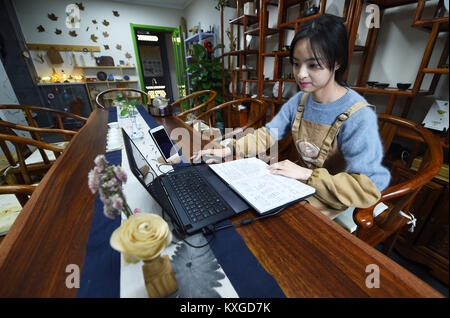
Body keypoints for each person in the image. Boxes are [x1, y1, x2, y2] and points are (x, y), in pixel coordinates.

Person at [192, 14, 391, 219]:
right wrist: (228, 148)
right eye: (296, 64)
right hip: (295, 185)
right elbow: (267, 135)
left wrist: (307, 174)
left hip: (328, 197)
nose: (301, 74)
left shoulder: (359, 116)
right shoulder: (301, 101)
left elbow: (368, 188)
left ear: (338, 62)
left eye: (313, 65)